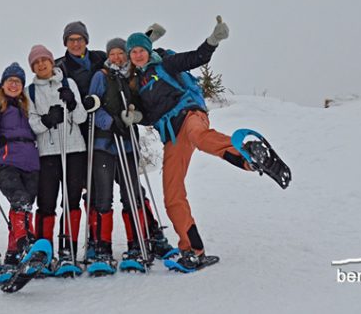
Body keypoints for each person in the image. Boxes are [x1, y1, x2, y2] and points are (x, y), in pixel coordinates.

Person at [123, 16, 253, 271]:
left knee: (201, 137)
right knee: (172, 195)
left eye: (141, 50)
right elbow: (150, 115)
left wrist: (213, 41)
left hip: (190, 115)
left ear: (148, 51)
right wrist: (137, 117)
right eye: (133, 52)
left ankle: (248, 155)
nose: (138, 55)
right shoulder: (138, 83)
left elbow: (196, 58)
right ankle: (193, 250)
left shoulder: (166, 64)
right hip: (172, 134)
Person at [86, 37, 176, 270]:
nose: (116, 58)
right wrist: (109, 122)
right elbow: (92, 108)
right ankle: (102, 246)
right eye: (112, 54)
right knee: (103, 196)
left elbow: (141, 106)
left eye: (120, 53)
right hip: (104, 144)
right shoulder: (101, 76)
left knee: (132, 193)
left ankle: (138, 241)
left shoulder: (133, 77)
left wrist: (133, 118)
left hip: (127, 143)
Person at [27, 44, 88, 272]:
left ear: (52, 62)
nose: (42, 64)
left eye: (45, 60)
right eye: (37, 62)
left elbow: (81, 117)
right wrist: (47, 120)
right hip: (47, 153)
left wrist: (72, 103)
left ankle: (68, 250)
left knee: (71, 201)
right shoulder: (30, 91)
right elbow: (32, 124)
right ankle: (44, 251)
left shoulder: (68, 83)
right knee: (46, 203)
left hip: (73, 150)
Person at [0, 63, 40, 270]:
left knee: (23, 207)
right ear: (3, 83)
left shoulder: (27, 105)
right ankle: (26, 244)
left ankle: (13, 253)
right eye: (10, 81)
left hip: (31, 161)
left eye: (18, 82)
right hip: (5, 160)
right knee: (20, 200)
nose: (14, 85)